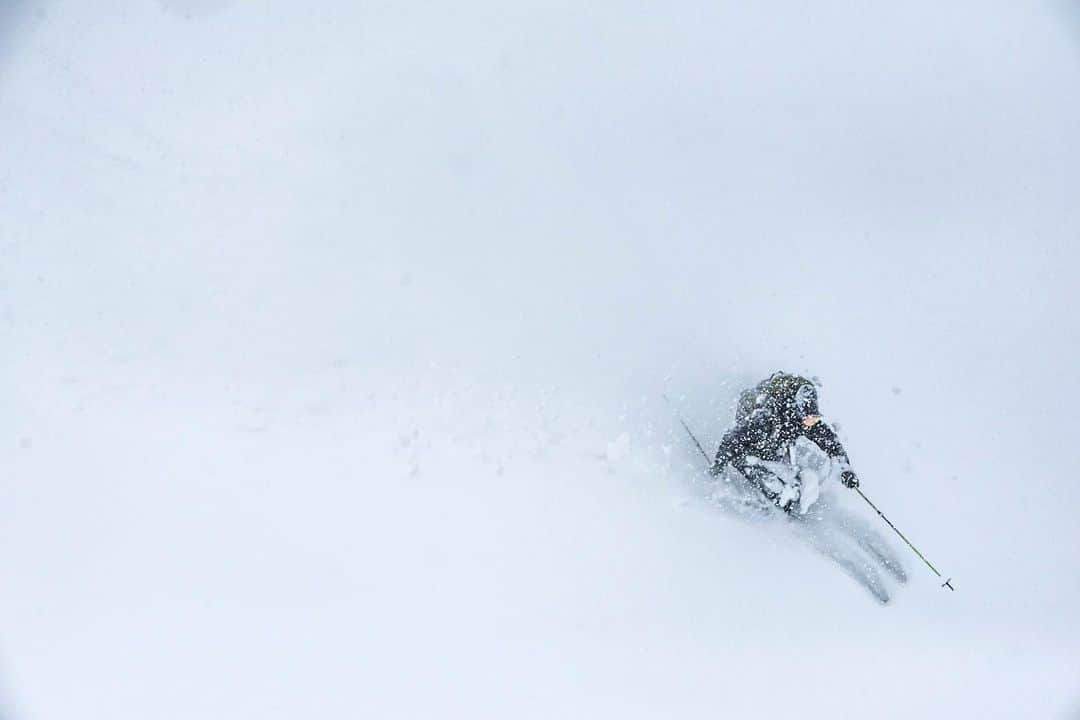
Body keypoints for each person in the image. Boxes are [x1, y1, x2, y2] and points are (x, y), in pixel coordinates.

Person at [710, 372, 859, 513]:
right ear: (798, 413)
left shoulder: (805, 420)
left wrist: (845, 469)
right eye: (808, 419)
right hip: (752, 418)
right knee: (758, 450)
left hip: (777, 429)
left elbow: (830, 441)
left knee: (778, 451)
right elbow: (731, 439)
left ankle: (785, 490)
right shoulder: (764, 419)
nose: (810, 423)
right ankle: (749, 468)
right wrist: (717, 468)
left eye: (814, 419)